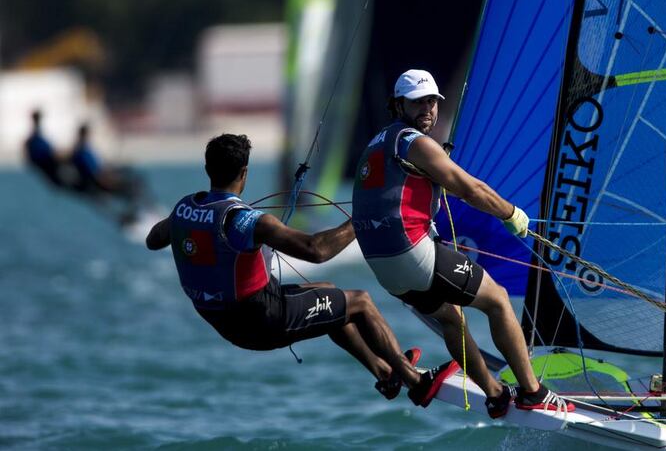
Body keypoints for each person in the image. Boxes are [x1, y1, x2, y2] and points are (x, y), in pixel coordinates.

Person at [146, 133, 452, 405]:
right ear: (244, 173)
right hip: (263, 319)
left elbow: (153, 239)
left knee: (331, 295)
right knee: (361, 302)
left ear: (207, 170)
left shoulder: (184, 210)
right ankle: (416, 383)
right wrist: (362, 219)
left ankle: (385, 371)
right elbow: (315, 250)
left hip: (226, 323)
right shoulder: (247, 221)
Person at [351, 69, 575, 418]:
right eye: (416, 102)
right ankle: (533, 391)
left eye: (431, 101)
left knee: (452, 318)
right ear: (398, 105)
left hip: (385, 269)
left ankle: (496, 393)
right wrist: (511, 213)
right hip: (412, 254)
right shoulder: (415, 142)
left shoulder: (376, 143)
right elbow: (470, 189)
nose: (426, 108)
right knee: (497, 300)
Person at [24, 110, 71, 188]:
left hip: (46, 160)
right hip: (44, 162)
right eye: (37, 118)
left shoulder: (38, 136)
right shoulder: (34, 138)